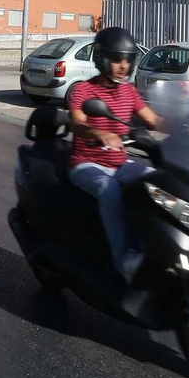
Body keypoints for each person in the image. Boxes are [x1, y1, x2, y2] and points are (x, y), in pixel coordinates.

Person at [68, 26, 162, 283]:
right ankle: (123, 260)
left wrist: (187, 127)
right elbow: (77, 123)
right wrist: (100, 134)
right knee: (109, 189)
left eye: (128, 60)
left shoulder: (129, 92)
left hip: (120, 163)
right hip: (86, 164)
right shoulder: (83, 91)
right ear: (101, 58)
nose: (123, 65)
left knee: (157, 181)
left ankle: (154, 249)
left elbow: (152, 119)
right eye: (117, 59)